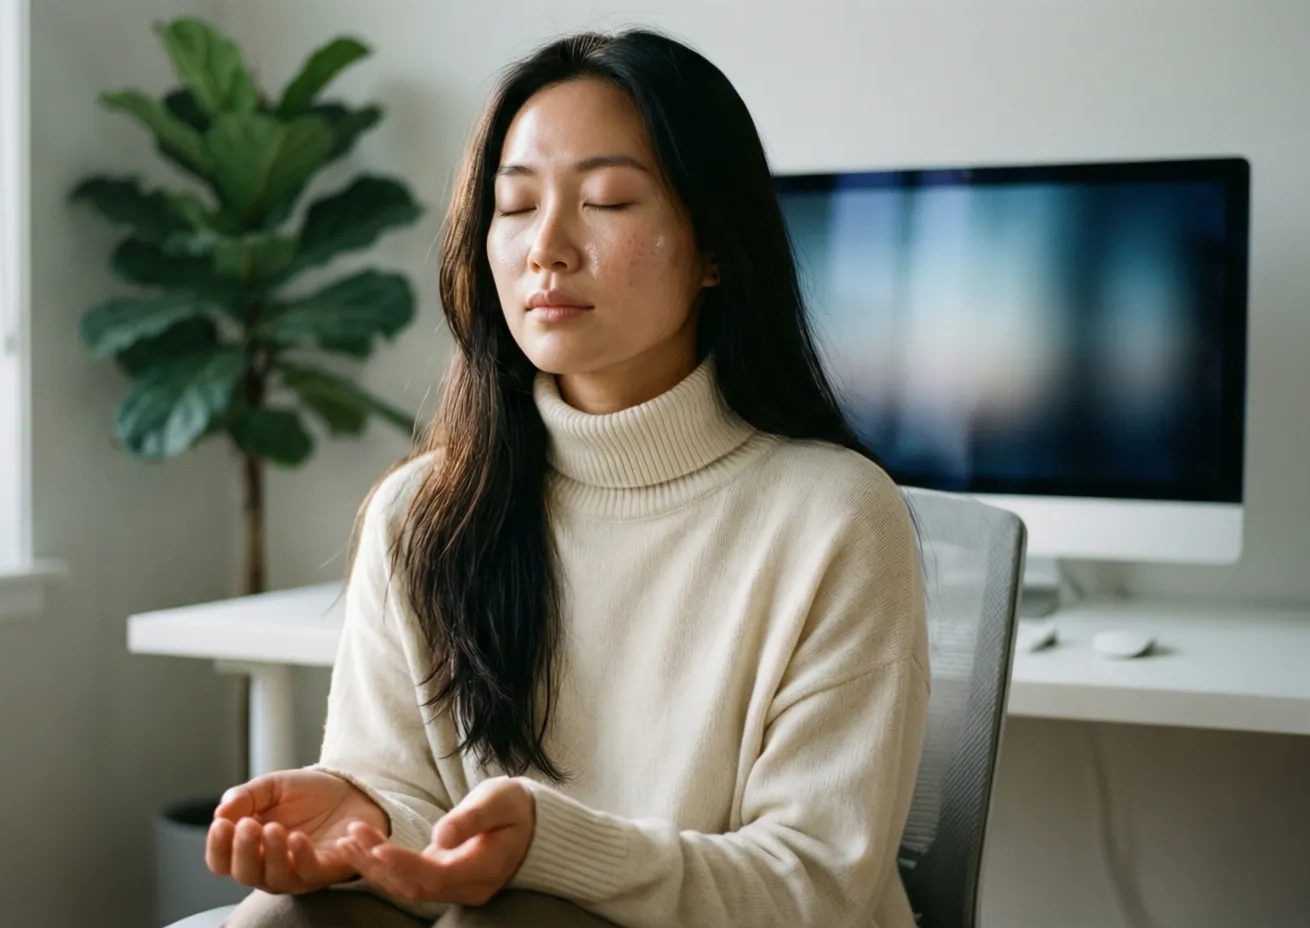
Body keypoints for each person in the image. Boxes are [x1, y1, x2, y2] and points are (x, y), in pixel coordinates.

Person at [210, 27, 929, 928]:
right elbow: (408, 797)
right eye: (515, 206)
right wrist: (367, 821)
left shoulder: (837, 518)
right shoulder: (423, 513)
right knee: (281, 918)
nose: (545, 247)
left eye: (607, 201)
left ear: (714, 246)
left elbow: (812, 884)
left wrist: (553, 851)